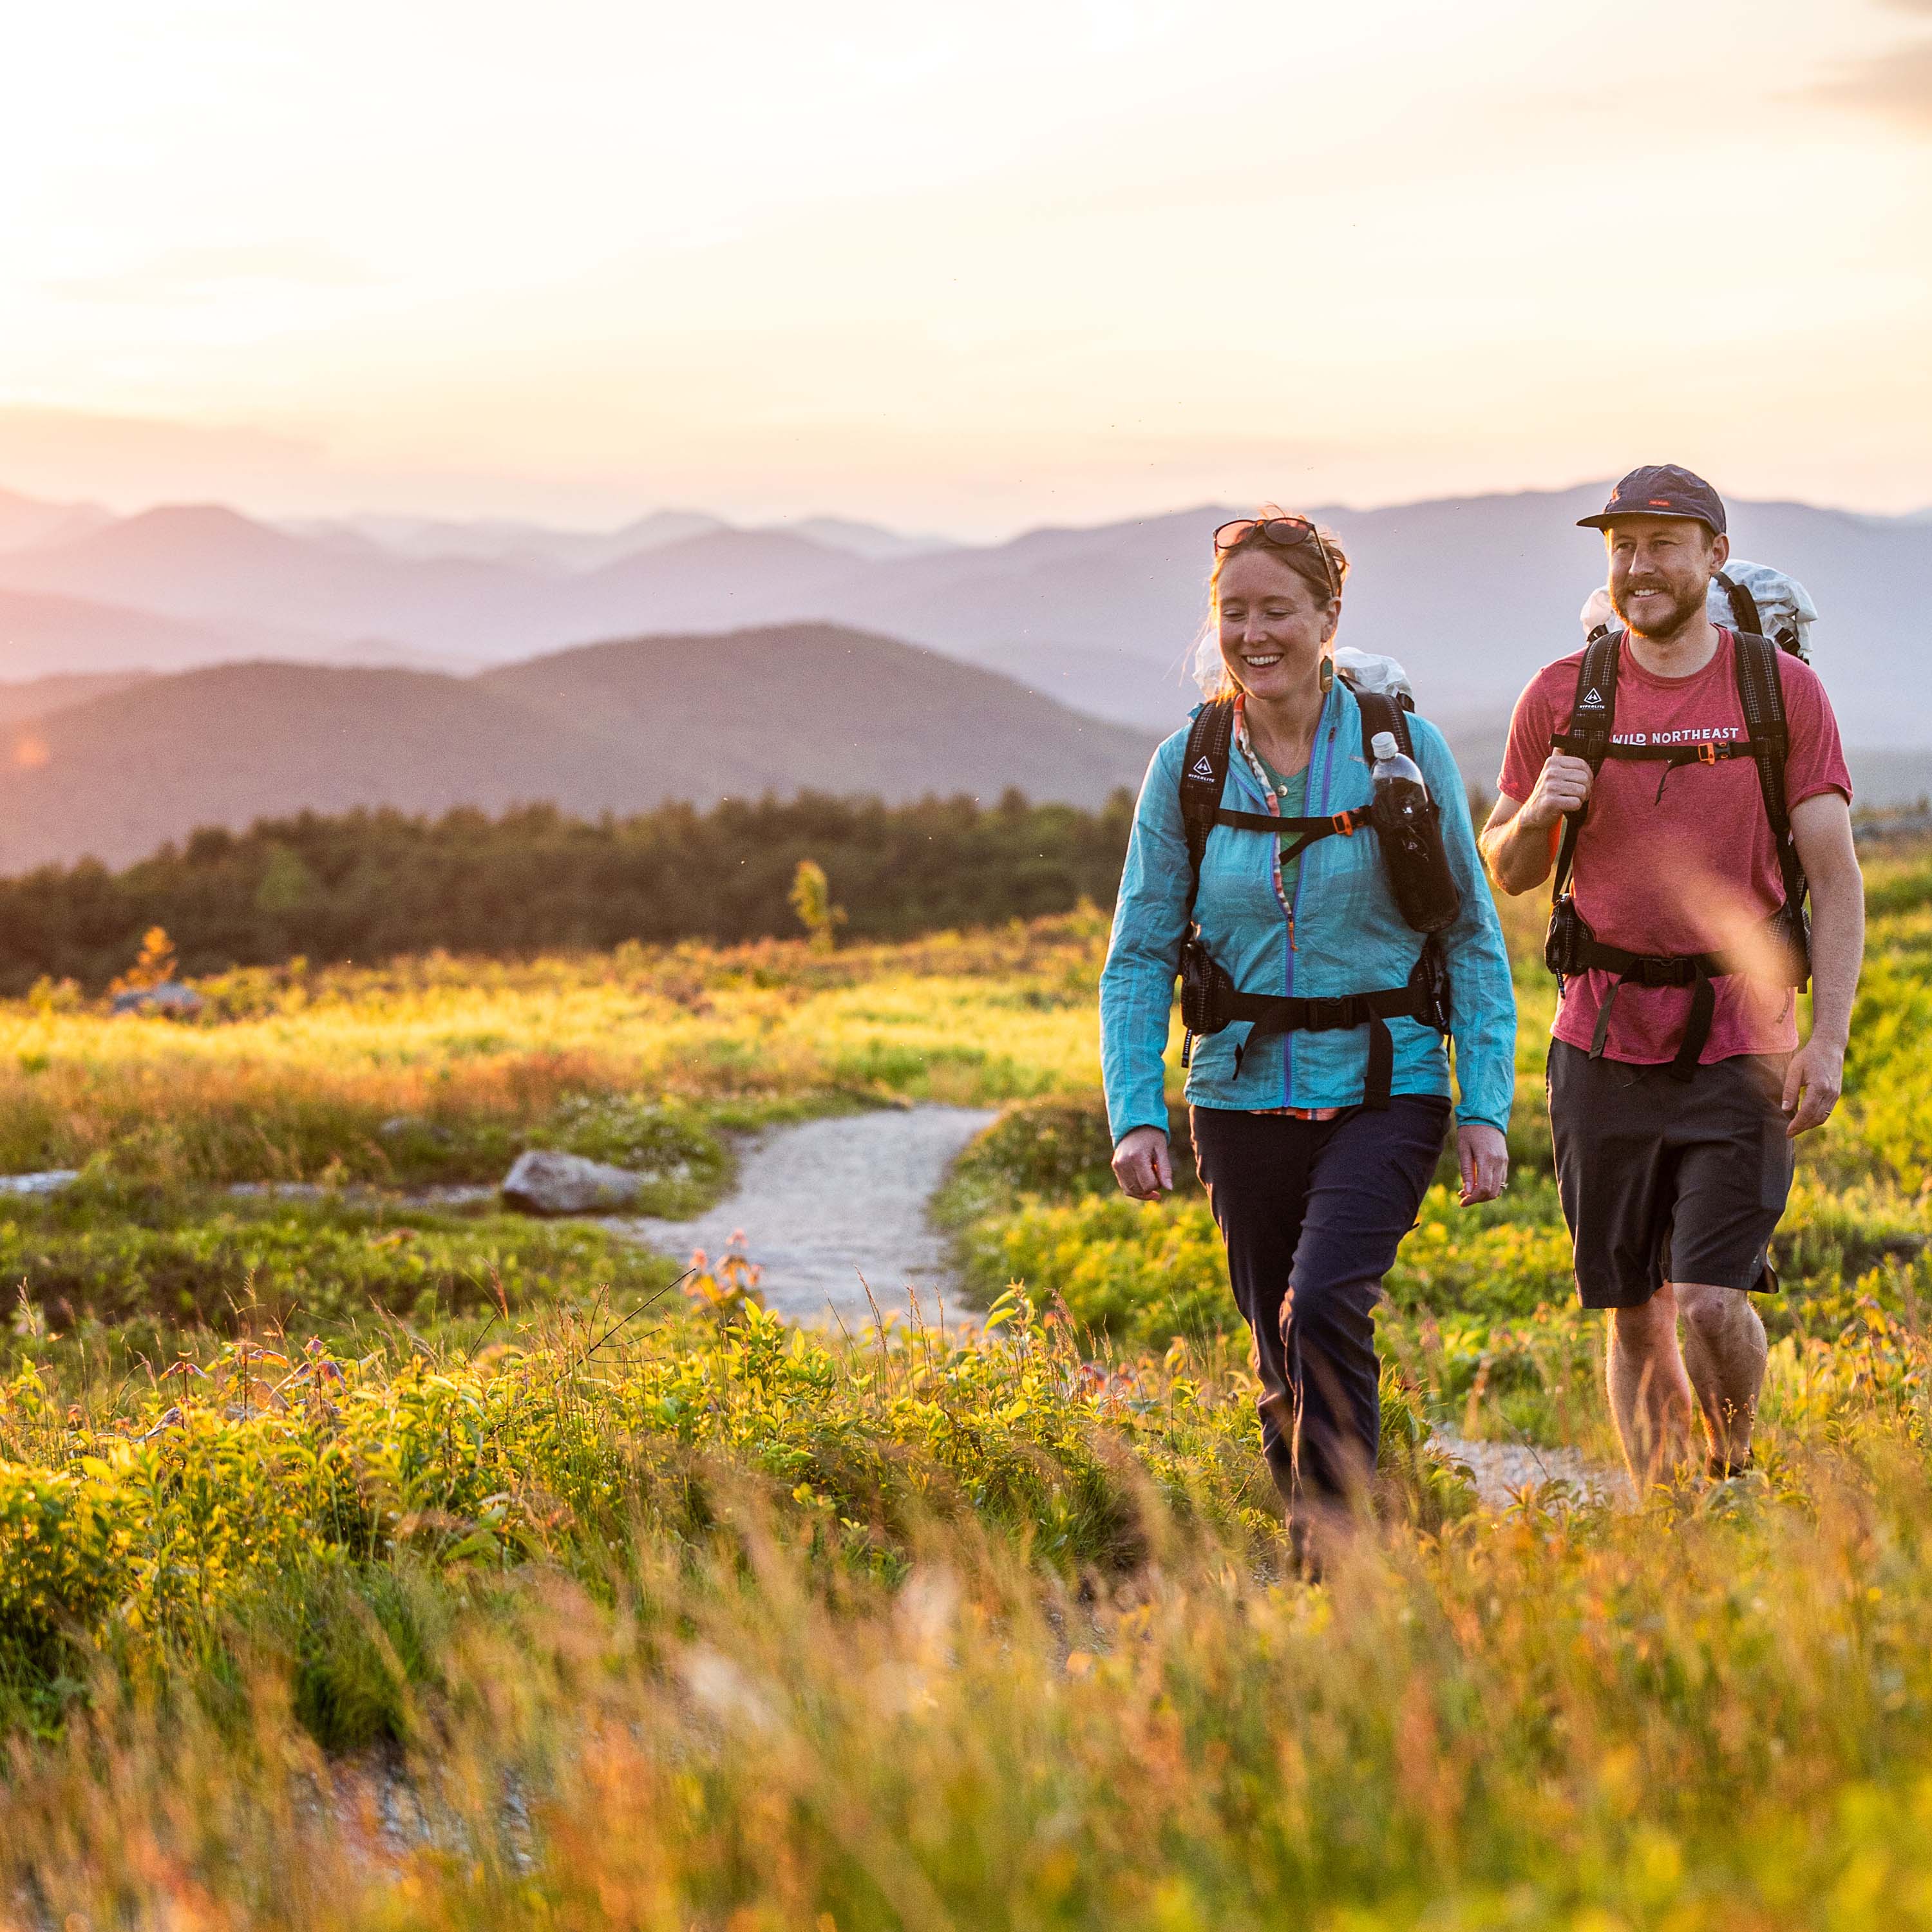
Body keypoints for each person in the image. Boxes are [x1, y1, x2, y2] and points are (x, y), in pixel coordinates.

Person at [1100, 510, 1517, 1549]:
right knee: (1275, 1339)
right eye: (1234, 612)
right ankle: (1317, 1525)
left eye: (1278, 610)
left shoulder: (1402, 751)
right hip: (1239, 1092)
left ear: (1329, 618)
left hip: (1390, 1083)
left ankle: (1338, 1559)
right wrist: (1135, 1111)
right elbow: (1140, 951)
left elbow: (1470, 937)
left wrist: (1487, 1106)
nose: (1255, 634)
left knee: (1323, 1300)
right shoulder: (1187, 766)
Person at [1481, 465, 1863, 1487]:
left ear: (1714, 558)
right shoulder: (1563, 694)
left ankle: (1731, 1471)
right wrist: (1538, 811)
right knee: (1632, 1307)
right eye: (1621, 547)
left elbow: (1835, 876)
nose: (1637, 567)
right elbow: (1510, 871)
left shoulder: (1778, 689)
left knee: (1707, 1297)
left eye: (1661, 544)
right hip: (1599, 1044)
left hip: (1744, 1045)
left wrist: (1826, 1041)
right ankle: (1665, 1520)